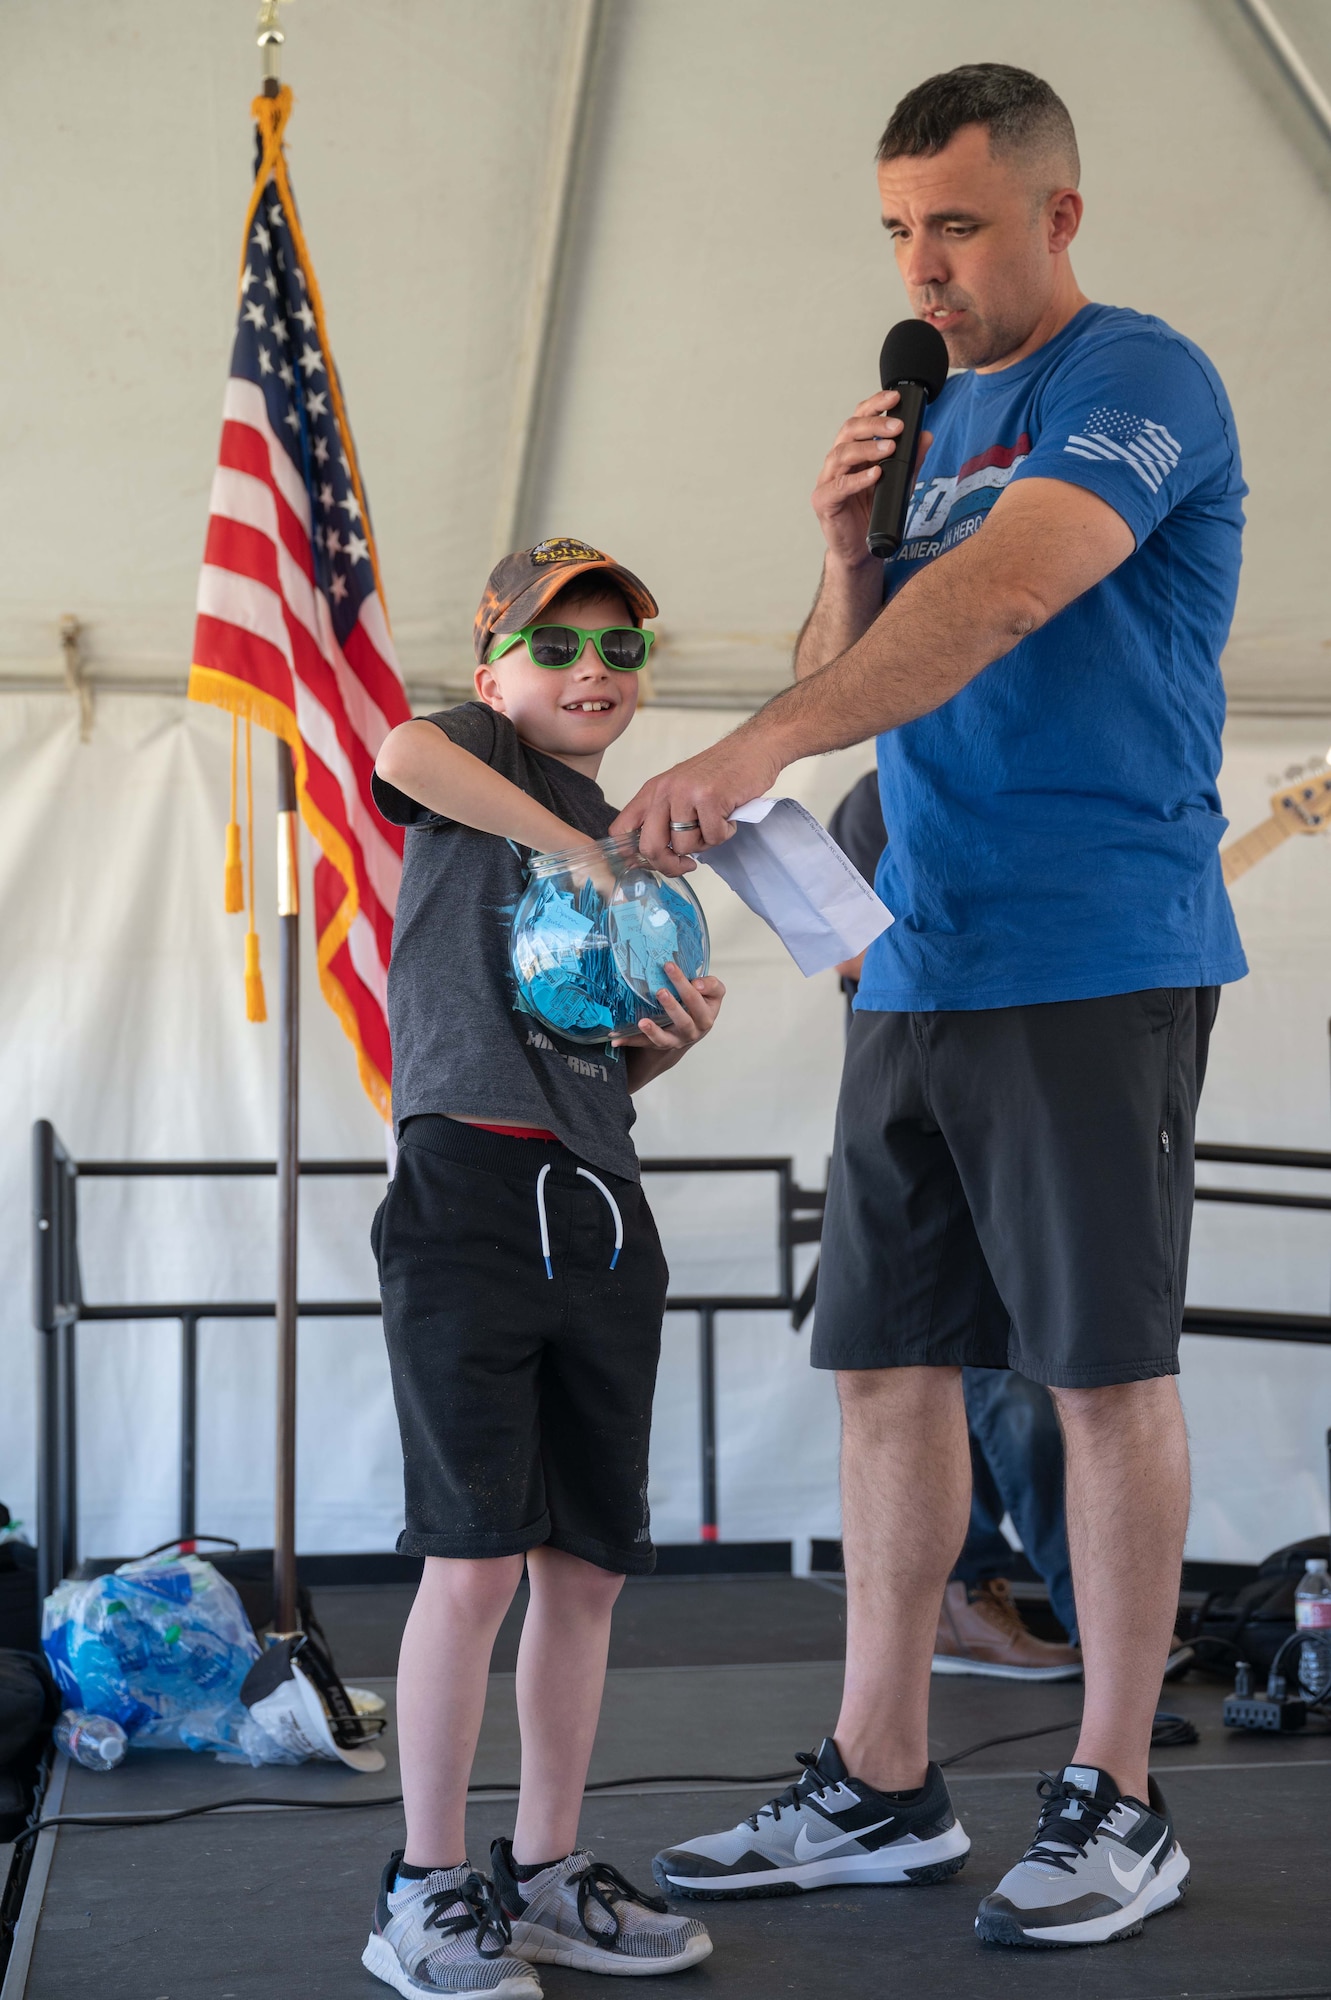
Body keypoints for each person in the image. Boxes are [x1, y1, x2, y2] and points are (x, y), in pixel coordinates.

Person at [620, 65, 1246, 1948]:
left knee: (1097, 1376)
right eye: (900, 227)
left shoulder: (1141, 380)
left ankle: (1120, 1796)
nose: (925, 264)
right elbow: (866, 644)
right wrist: (838, 553)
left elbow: (998, 605)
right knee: (886, 1366)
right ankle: (880, 1779)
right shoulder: (924, 413)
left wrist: (747, 748)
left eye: (958, 224)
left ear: (1058, 215)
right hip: (911, 943)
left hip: (1091, 946)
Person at [364, 538, 724, 1996]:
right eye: (560, 646)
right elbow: (398, 748)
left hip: (598, 1201)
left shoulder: (629, 841)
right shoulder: (465, 762)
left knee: (585, 1572)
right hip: (466, 1186)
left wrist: (655, 1047)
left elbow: (597, 1063)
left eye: (620, 652)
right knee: (473, 1563)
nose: (592, 672)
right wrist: (570, 843)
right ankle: (423, 1886)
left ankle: (545, 1869)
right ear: (493, 666)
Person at [828, 773, 1080, 1677]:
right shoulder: (876, 800)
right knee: (994, 1389)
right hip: (930, 1130)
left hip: (1012, 1119)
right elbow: (850, 955)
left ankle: (988, 1602)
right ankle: (1024, 1603)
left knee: (1008, 1389)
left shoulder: (1019, 788)